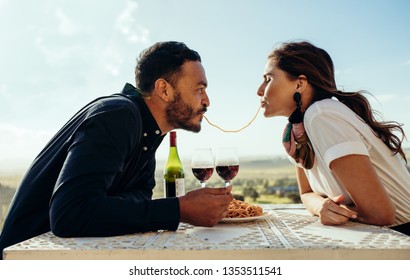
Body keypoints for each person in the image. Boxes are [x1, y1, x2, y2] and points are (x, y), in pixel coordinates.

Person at [0, 41, 233, 259]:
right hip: (26, 261)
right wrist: (178, 209)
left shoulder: (148, 131)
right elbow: (70, 214)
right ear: (164, 90)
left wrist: (107, 204)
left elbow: (142, 194)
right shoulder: (118, 115)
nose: (207, 102)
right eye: (199, 89)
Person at [257, 41, 410, 235]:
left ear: (299, 83)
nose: (259, 90)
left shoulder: (322, 115)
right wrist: (321, 206)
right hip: (380, 235)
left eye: (268, 79)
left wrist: (335, 212)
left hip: (402, 236)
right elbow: (306, 194)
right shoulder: (297, 132)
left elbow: (380, 215)